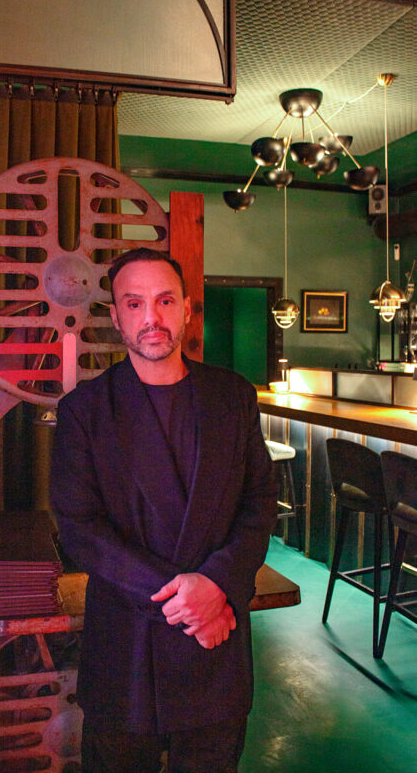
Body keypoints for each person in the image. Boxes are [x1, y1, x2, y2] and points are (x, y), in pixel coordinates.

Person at [50, 247, 277, 772]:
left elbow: (259, 502)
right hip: (129, 649)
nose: (150, 318)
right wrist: (188, 603)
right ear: (116, 316)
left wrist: (216, 584)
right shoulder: (84, 410)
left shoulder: (233, 396)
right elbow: (80, 528)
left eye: (164, 300)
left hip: (216, 644)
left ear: (187, 309)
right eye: (134, 303)